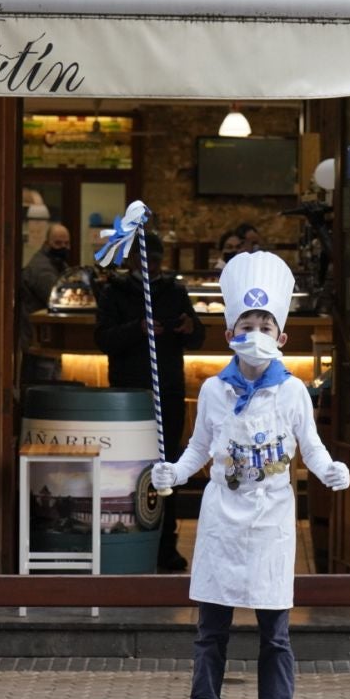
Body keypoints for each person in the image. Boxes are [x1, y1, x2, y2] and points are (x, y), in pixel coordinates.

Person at [150, 251, 350, 699]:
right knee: (211, 629)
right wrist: (173, 471)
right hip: (222, 519)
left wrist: (328, 470)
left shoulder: (294, 393)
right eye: (248, 323)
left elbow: (312, 445)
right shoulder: (215, 390)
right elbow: (200, 447)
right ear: (230, 333)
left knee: (275, 630)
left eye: (265, 323)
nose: (256, 331)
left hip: (272, 523)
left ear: (282, 336)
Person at [94, 232, 205, 570]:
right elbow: (104, 339)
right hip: (129, 393)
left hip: (168, 389)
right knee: (129, 468)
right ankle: (128, 540)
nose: (149, 266)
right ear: (129, 261)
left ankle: (165, 546)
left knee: (168, 464)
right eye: (143, 260)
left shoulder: (174, 291)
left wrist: (190, 326)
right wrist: (138, 329)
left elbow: (198, 337)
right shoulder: (115, 292)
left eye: (155, 260)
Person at [18, 223, 71, 383]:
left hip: (44, 338)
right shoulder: (41, 268)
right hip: (38, 340)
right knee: (42, 385)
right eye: (57, 243)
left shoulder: (57, 264)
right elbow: (57, 298)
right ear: (47, 243)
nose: (62, 247)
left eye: (66, 243)